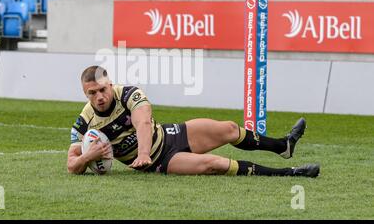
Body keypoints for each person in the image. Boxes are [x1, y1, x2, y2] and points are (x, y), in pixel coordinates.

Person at [67, 66, 320, 177]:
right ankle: (290, 173)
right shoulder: (84, 122)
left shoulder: (129, 93)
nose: (99, 96)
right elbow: (71, 164)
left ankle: (283, 147)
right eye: (92, 93)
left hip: (168, 135)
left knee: (229, 129)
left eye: (102, 89)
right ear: (85, 94)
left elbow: (143, 122)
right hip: (159, 161)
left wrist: (142, 151)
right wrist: (88, 157)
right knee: (216, 164)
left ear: (110, 84)